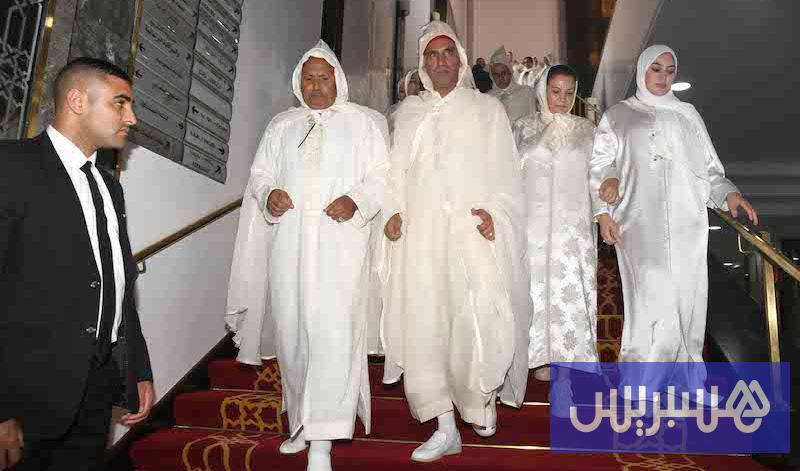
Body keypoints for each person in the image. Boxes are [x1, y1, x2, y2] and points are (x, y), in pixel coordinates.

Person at [226, 40, 388, 471]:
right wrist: (269, 195)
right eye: (309, 79)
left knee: (334, 335)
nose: (316, 86)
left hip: (341, 245)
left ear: (338, 79)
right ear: (299, 83)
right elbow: (260, 175)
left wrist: (356, 200)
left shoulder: (364, 123)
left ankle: (323, 438)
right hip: (291, 245)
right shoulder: (281, 125)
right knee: (293, 335)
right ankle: (300, 421)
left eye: (323, 77)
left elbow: (382, 177)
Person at [382, 21, 530, 462]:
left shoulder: (487, 109)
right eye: (432, 55)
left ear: (461, 59)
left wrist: (495, 215)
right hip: (421, 237)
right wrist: (392, 213)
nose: (441, 61)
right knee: (426, 326)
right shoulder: (409, 113)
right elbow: (394, 173)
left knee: (476, 317)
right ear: (423, 65)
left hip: (470, 231)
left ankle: (480, 401)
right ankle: (445, 427)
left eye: (448, 52)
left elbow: (507, 174)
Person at [0, 57, 154, 471]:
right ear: (77, 101)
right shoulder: (11, 166)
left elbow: (116, 283)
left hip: (95, 393)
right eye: (120, 103)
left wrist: (137, 369)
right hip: (23, 399)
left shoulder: (110, 188)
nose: (131, 118)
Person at [590, 45, 757, 393]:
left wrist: (728, 193)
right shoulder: (618, 116)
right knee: (652, 298)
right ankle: (641, 384)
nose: (663, 77)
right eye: (656, 69)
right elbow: (601, 163)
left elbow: (709, 170)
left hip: (686, 223)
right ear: (642, 70)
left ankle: (688, 382)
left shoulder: (687, 116)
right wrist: (604, 206)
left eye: (670, 71)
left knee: (688, 302)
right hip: (637, 222)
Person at [513, 65, 600, 410]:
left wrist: (604, 210)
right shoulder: (522, 127)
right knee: (532, 295)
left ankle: (563, 378)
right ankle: (537, 357)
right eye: (555, 91)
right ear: (542, 90)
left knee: (569, 300)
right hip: (530, 229)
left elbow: (600, 174)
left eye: (568, 92)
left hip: (572, 232)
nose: (562, 99)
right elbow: (507, 175)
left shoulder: (587, 130)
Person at [488, 46, 536, 126]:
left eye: (503, 73)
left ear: (510, 72)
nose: (500, 77)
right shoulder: (488, 97)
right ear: (492, 76)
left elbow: (533, 120)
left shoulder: (527, 92)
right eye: (496, 74)